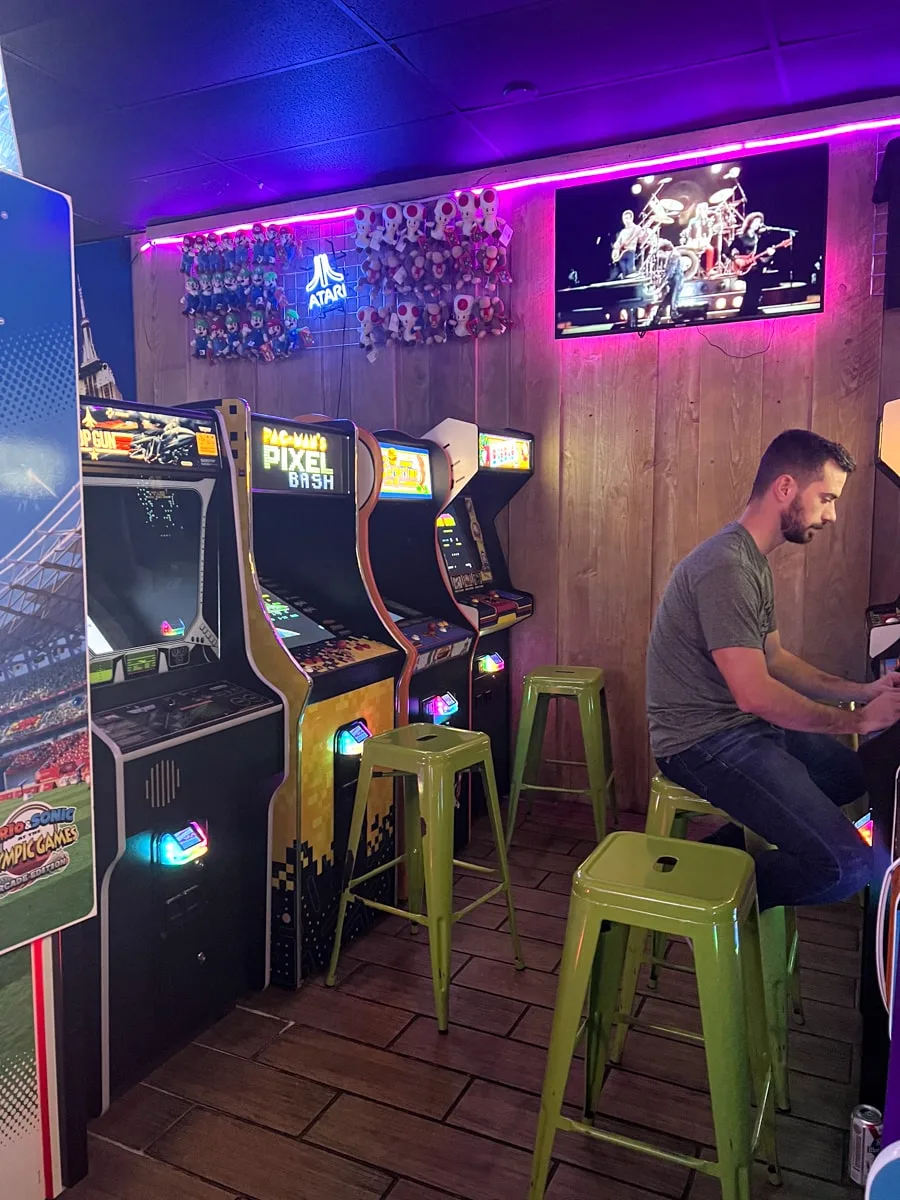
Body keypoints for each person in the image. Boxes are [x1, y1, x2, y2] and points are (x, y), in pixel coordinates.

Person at [646, 430, 900, 911]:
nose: (831, 515)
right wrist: (857, 721)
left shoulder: (751, 560)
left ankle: (724, 854)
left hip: (741, 728)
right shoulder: (726, 566)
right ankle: (683, 896)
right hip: (699, 742)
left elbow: (777, 660)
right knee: (847, 868)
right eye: (826, 498)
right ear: (786, 487)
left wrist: (863, 693)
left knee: (853, 776)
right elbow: (756, 695)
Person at [608, 210, 642, 279]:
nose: (626, 220)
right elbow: (618, 241)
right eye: (624, 218)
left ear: (631, 218)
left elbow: (639, 238)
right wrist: (616, 246)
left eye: (627, 218)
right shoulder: (623, 231)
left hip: (630, 251)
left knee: (629, 270)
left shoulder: (636, 228)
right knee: (623, 271)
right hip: (620, 254)